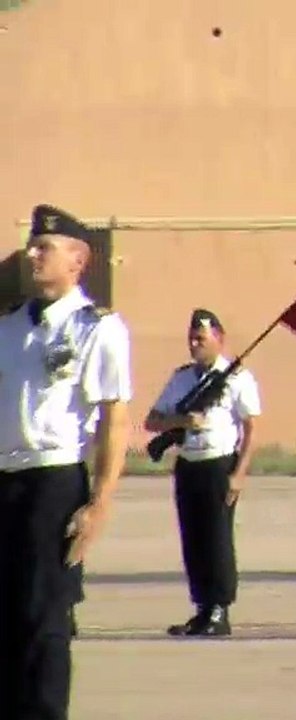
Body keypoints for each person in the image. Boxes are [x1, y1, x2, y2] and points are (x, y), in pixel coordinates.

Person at [0, 204, 132, 720]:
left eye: (45, 247)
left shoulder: (96, 328)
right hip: (5, 481)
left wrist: (100, 501)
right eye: (32, 245)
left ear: (78, 260)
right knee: (7, 617)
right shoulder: (10, 328)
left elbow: (114, 419)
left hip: (53, 483)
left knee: (44, 618)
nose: (32, 254)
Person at [145, 308, 261, 637]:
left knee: (217, 539)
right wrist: (180, 423)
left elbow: (252, 428)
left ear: (220, 339)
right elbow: (152, 420)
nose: (195, 343)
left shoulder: (238, 378)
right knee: (193, 538)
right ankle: (201, 607)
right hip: (188, 465)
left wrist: (239, 473)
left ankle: (219, 609)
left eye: (202, 337)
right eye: (192, 338)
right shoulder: (182, 378)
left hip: (218, 463)